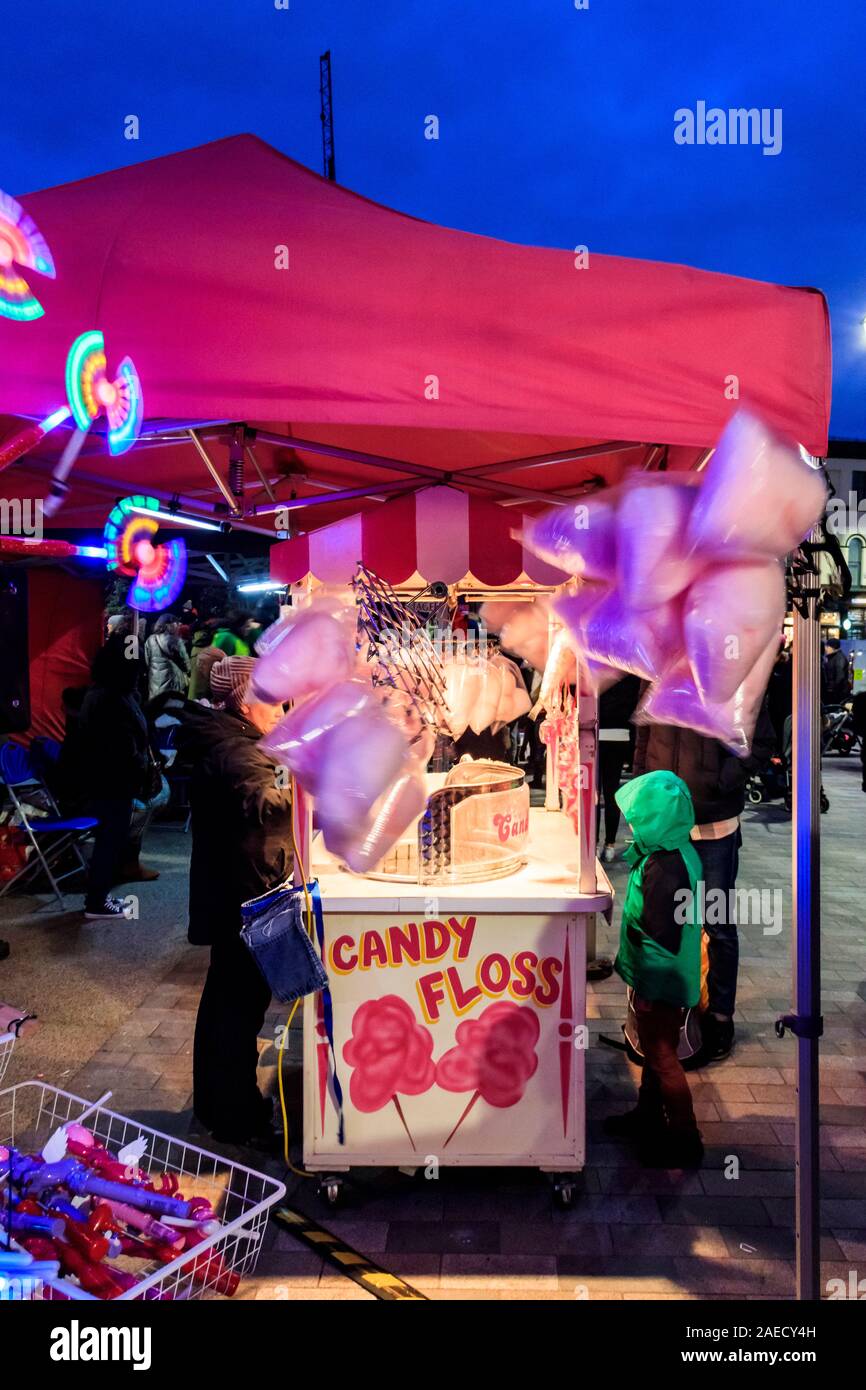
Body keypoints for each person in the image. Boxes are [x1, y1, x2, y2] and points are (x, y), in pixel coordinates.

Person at [179, 655, 291, 1149]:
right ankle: (235, 1118)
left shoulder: (233, 739)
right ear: (246, 701)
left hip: (232, 891)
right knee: (237, 1008)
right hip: (239, 896)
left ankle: (219, 1106)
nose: (280, 707)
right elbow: (263, 802)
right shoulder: (236, 751)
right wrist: (310, 782)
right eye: (271, 698)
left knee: (229, 1002)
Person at [632, 704, 774, 1062]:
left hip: (715, 825)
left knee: (717, 923)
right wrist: (641, 792)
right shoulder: (656, 666)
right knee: (664, 922)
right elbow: (644, 736)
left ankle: (720, 1016)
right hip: (665, 823)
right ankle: (672, 1013)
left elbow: (760, 742)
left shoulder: (734, 669)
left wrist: (717, 781)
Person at [604, 769, 704, 1168]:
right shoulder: (670, 851)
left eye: (638, 817)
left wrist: (646, 990)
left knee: (663, 1055)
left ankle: (685, 1136)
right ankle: (648, 1115)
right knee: (652, 1048)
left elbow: (661, 934)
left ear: (657, 819)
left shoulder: (665, 868)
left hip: (661, 978)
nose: (631, 823)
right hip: (663, 974)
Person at [79, 642, 154, 919]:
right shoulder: (112, 700)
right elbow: (121, 747)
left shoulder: (101, 694)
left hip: (108, 781)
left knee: (109, 840)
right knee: (109, 841)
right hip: (114, 783)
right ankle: (96, 902)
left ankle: (99, 897)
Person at [596, 674, 640, 861]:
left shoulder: (597, 670)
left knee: (594, 795)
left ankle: (594, 843)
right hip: (620, 735)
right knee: (612, 791)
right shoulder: (630, 673)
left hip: (596, 733)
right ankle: (610, 844)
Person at [145, 614, 190, 701]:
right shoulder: (177, 641)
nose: (178, 626)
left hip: (154, 684)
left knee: (156, 709)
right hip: (173, 686)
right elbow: (187, 666)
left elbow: (147, 662)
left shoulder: (150, 640)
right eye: (176, 624)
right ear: (171, 625)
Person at [822, 637, 851, 707]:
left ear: (833, 647)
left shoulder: (839, 658)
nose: (826, 649)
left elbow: (840, 677)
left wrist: (831, 689)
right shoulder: (833, 657)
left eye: (827, 646)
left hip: (837, 693)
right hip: (835, 692)